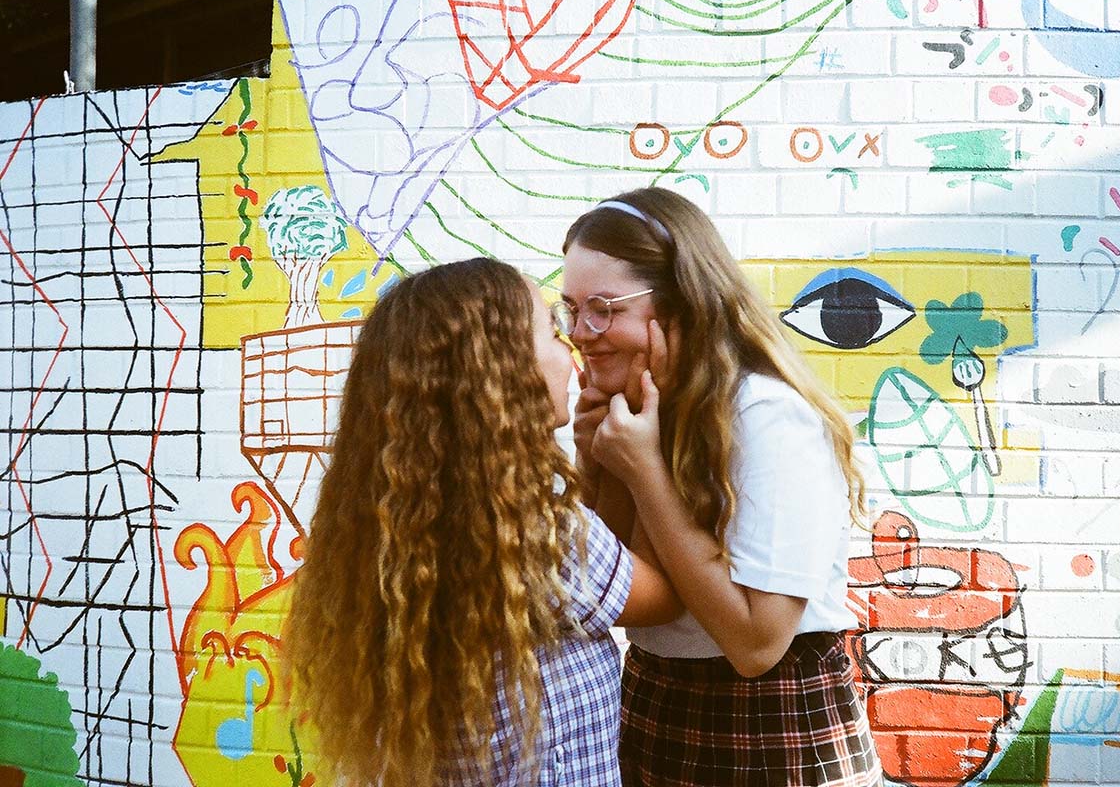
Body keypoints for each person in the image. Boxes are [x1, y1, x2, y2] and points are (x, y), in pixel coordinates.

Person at [282, 258, 678, 787]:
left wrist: (595, 460)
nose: (573, 350)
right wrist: (648, 456)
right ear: (504, 371)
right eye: (554, 332)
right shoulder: (543, 532)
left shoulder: (406, 524)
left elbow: (598, 573)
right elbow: (661, 594)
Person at [557, 188, 884, 786]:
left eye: (604, 308)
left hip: (768, 719)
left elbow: (757, 643)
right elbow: (612, 589)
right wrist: (597, 463)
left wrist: (645, 473)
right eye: (571, 309)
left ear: (681, 305)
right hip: (659, 698)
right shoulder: (644, 416)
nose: (581, 332)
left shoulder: (765, 414)